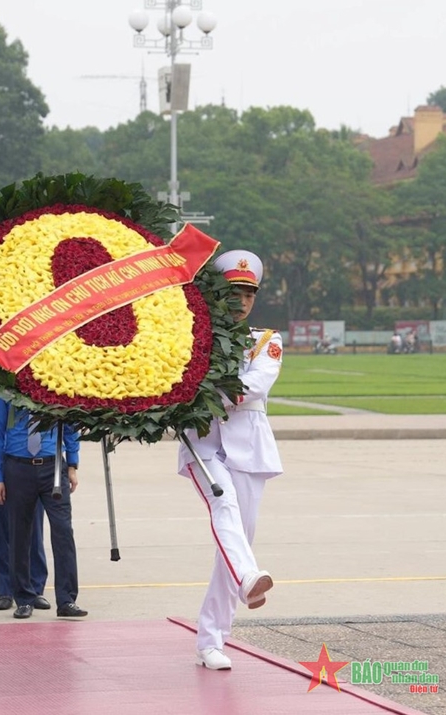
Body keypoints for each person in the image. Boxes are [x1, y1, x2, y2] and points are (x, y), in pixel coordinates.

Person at [178, 249, 283, 671]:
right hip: (202, 442)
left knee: (236, 542)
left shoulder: (266, 340)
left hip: (248, 448)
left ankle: (212, 638)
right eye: (232, 292)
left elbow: (254, 386)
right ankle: (248, 579)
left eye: (247, 293)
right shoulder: (190, 335)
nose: (240, 300)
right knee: (224, 506)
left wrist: (204, 392)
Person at [0, 401, 86, 620]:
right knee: (19, 534)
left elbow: (70, 425)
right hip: (17, 466)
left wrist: (73, 464)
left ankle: (67, 599)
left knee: (63, 531)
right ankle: (24, 598)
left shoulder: (53, 387)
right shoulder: (6, 393)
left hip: (53, 466)